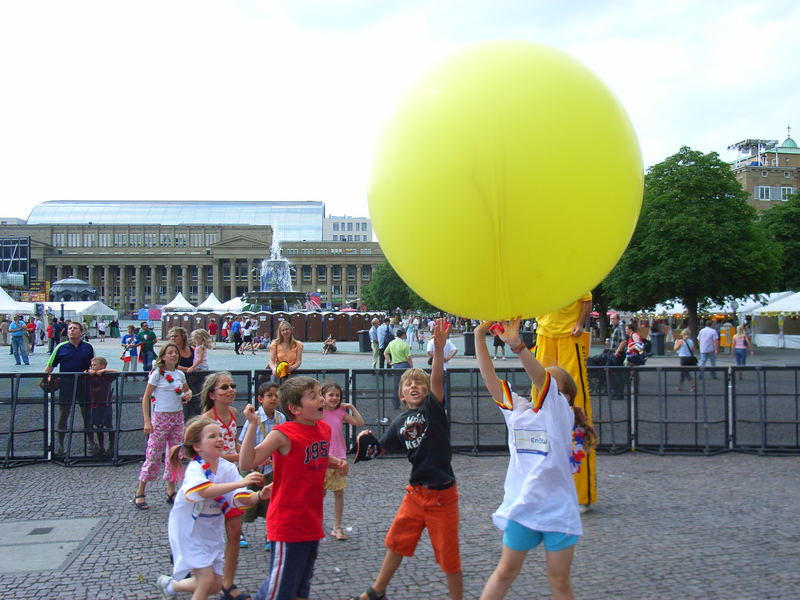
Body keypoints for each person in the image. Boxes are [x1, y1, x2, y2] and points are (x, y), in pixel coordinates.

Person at [474, 318, 594, 600]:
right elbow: (490, 379)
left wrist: (517, 345)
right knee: (504, 572)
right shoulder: (519, 411)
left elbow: (543, 380)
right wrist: (479, 335)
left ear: (567, 397)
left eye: (558, 389)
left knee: (559, 581)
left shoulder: (561, 414)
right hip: (522, 507)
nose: (549, 390)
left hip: (557, 509)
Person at [348, 319, 463, 600]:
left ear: (426, 392)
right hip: (415, 493)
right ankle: (376, 591)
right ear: (401, 393)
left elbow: (437, 380)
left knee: (449, 558)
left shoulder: (433, 410)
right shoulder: (399, 421)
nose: (414, 386)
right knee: (396, 543)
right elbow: (383, 448)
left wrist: (437, 350)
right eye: (409, 384)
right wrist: (367, 444)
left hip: (441, 495)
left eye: (419, 384)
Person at [239, 376, 349, 600]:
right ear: (295, 408)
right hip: (288, 522)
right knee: (279, 591)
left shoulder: (323, 429)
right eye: (314, 396)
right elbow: (246, 462)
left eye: (320, 394)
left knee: (300, 587)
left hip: (311, 520)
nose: (321, 399)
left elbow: (314, 454)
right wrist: (251, 425)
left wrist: (336, 462)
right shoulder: (282, 433)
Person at [156, 417, 264, 600]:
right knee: (206, 580)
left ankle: (171, 585)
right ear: (197, 447)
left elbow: (239, 497)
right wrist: (242, 481)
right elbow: (205, 490)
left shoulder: (227, 468)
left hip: (210, 533)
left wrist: (259, 495)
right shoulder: (195, 468)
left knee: (214, 585)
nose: (219, 439)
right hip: (189, 532)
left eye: (220, 435)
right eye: (212, 436)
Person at [532, 291, 596, 511]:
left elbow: (587, 299)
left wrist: (580, 323)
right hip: (544, 335)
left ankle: (581, 494)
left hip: (570, 336)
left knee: (577, 405)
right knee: (538, 406)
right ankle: (540, 490)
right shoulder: (535, 277)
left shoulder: (574, 273)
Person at [200, 371, 250, 600]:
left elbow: (233, 442)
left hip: (231, 475)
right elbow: (212, 454)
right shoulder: (207, 420)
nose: (231, 390)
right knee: (207, 532)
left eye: (232, 386)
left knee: (235, 529)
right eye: (224, 387)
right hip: (212, 478)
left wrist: (247, 454)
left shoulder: (233, 413)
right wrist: (238, 458)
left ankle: (228, 584)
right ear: (212, 395)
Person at [133, 341, 192, 510]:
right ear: (163, 356)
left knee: (174, 455)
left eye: (175, 352)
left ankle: (171, 490)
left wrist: (187, 395)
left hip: (177, 417)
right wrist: (147, 420)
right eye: (170, 352)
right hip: (160, 418)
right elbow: (146, 398)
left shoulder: (180, 375)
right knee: (153, 454)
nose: (174, 355)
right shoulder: (157, 375)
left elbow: (187, 392)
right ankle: (140, 491)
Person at [239, 381, 286, 549]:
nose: (274, 398)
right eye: (269, 396)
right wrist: (255, 461)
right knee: (246, 500)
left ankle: (270, 534)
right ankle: (239, 532)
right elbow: (244, 442)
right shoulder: (254, 418)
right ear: (260, 399)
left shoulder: (281, 417)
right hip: (253, 468)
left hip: (272, 467)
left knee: (272, 502)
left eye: (276, 395)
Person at [320, 380, 364, 541]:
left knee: (339, 492)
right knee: (320, 493)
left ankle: (337, 526)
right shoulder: (318, 412)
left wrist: (351, 408)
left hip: (338, 457)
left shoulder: (340, 413)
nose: (334, 398)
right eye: (331, 395)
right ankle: (317, 523)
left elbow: (360, 422)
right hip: (322, 457)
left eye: (337, 395)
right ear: (323, 396)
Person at [45, 321, 95, 455]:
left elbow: (93, 366)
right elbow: (49, 367)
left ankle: (91, 443)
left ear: (81, 332)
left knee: (87, 415)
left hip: (84, 385)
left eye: (75, 328)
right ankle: (60, 444)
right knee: (63, 414)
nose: (71, 330)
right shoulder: (60, 348)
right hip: (66, 385)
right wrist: (46, 378)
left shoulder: (88, 348)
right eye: (70, 328)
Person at [85, 356, 117, 457]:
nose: (92, 367)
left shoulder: (106, 375)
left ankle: (111, 447)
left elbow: (117, 372)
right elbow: (84, 372)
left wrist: (105, 371)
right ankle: (102, 447)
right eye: (92, 365)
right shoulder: (91, 375)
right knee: (98, 426)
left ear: (102, 366)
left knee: (108, 426)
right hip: (94, 404)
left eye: (95, 365)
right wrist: (89, 371)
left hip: (106, 404)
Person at [674, 328, 697, 392]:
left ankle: (693, 385)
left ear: (682, 334)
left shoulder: (681, 341)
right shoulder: (691, 341)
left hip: (683, 358)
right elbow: (693, 350)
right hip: (689, 358)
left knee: (685, 372)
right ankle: (679, 386)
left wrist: (676, 343)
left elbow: (675, 349)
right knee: (683, 372)